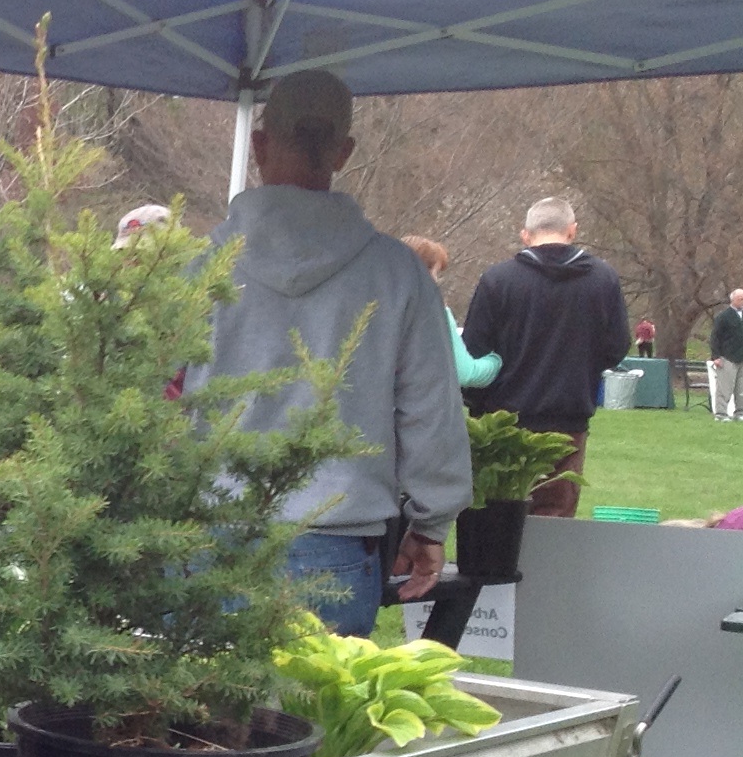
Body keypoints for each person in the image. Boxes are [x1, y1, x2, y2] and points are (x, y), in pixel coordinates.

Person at [196, 69, 469, 637]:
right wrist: (431, 523)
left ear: (259, 145)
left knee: (199, 700)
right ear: (343, 152)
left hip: (207, 535)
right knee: (324, 699)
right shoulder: (397, 273)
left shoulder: (194, 267)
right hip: (337, 542)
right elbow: (430, 410)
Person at [460, 195, 629, 518]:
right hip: (567, 419)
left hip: (503, 422)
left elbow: (474, 351)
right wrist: (581, 371)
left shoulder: (498, 280)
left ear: (526, 234)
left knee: (497, 517)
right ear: (572, 230)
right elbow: (616, 346)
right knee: (554, 517)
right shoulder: (603, 279)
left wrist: (477, 404)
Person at [400, 237, 501, 388]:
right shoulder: (432, 312)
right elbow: (466, 373)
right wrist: (496, 360)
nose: (436, 280)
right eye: (435, 273)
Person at [709, 288, 743, 422]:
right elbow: (715, 337)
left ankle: (740, 412)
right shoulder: (723, 316)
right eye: (741, 299)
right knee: (724, 388)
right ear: (733, 300)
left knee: (741, 388)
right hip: (727, 357)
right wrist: (716, 356)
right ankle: (721, 414)